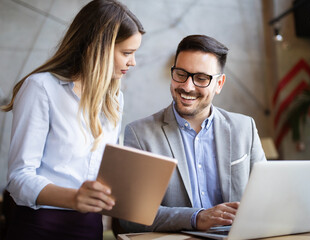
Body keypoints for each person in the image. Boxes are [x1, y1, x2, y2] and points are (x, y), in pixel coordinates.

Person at [1, 0, 145, 239]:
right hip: (40, 226)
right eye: (127, 53)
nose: (133, 62)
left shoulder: (114, 99)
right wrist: (75, 198)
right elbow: (19, 178)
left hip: (90, 227)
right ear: (99, 48)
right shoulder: (41, 88)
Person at [115, 34, 266, 233]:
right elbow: (132, 217)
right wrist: (196, 218)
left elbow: (267, 198)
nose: (187, 86)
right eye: (180, 74)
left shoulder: (244, 128)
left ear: (219, 84)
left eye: (201, 78)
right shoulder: (140, 134)